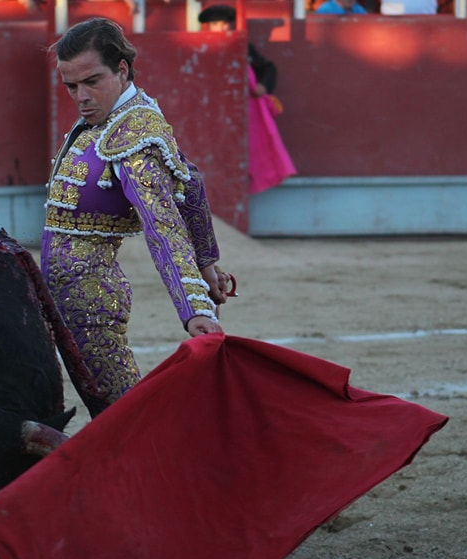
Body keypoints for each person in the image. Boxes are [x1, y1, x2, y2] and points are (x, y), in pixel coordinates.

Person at [42, 17, 233, 406]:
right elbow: (190, 183)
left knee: (120, 413)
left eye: (92, 81)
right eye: (71, 86)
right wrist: (208, 263)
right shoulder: (123, 119)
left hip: (89, 297)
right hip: (65, 291)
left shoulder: (133, 134)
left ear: (122, 69)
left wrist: (193, 306)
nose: (81, 97)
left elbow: (163, 226)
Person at [198, 4, 296, 194]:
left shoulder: (243, 45)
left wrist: (263, 86)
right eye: (217, 23)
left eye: (226, 23)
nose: (223, 28)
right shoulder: (202, 46)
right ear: (208, 27)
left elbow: (267, 68)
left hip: (243, 111)